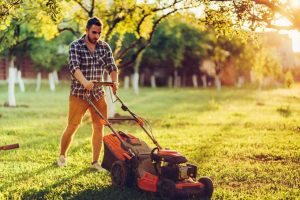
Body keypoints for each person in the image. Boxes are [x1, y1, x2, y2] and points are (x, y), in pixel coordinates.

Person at [57, 17, 118, 171]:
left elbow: (112, 66)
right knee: (73, 125)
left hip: (97, 94)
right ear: (87, 30)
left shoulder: (104, 47)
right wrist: (85, 83)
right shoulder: (75, 46)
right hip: (79, 94)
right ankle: (62, 156)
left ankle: (95, 162)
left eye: (99, 33)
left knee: (99, 127)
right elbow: (74, 68)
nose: (97, 36)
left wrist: (114, 82)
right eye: (94, 32)